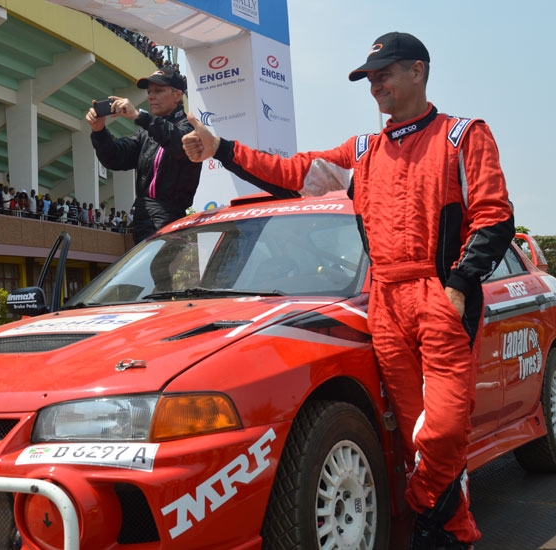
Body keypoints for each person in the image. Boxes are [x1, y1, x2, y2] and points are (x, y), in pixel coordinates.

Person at [182, 32, 515, 549]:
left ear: (418, 72)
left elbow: (494, 216)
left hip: (439, 296)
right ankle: (446, 533)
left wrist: (459, 286)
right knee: (412, 433)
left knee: (445, 429)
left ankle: (427, 510)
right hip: (384, 302)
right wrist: (222, 149)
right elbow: (290, 173)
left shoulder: (463, 135)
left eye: (384, 73)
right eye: (369, 77)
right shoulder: (362, 152)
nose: (375, 84)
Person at [86, 66, 202, 244]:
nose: (151, 96)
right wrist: (99, 131)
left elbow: (178, 143)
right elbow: (114, 158)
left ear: (177, 96)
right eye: (149, 92)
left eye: (158, 91)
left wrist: (140, 116)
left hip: (167, 218)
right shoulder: (146, 132)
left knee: (158, 272)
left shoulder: (189, 127)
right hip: (142, 216)